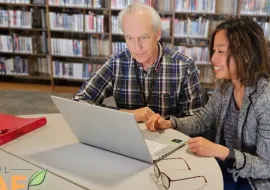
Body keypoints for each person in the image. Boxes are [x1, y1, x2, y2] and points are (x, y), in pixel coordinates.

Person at [145, 17, 270, 190]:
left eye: (221, 52)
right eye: (214, 50)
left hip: (268, 186)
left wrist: (219, 151)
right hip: (236, 170)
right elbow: (203, 119)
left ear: (245, 55)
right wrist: (170, 124)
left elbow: (267, 166)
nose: (213, 58)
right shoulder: (227, 86)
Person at [73, 2, 203, 122]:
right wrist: (129, 114)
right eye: (129, 38)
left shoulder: (184, 66)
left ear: (158, 34)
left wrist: (169, 123)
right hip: (126, 139)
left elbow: (195, 121)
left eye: (143, 37)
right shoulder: (116, 63)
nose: (136, 47)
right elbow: (79, 101)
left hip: (169, 140)